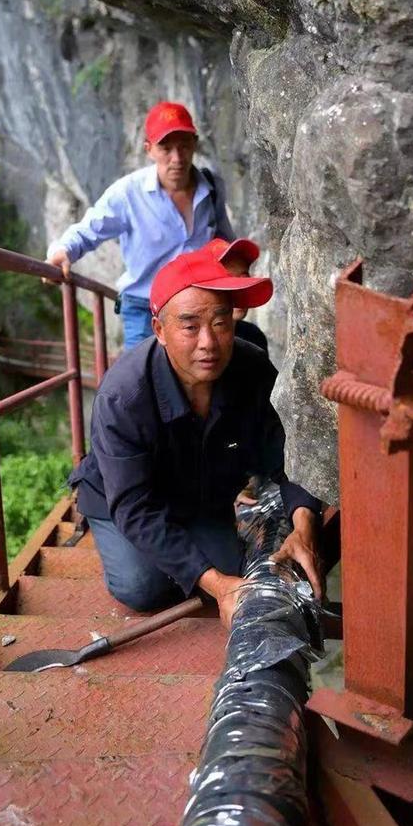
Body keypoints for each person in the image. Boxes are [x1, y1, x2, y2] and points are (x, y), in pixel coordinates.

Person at [69, 248, 323, 628]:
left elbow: (288, 454)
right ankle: (111, 538)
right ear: (159, 330)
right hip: (123, 499)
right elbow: (134, 507)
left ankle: (189, 549)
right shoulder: (123, 397)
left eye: (220, 323)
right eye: (189, 326)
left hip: (197, 494)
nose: (208, 342)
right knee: (141, 588)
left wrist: (304, 526)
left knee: (227, 563)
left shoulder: (251, 368)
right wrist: (219, 587)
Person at [46, 101, 234, 347]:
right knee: (141, 380)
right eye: (166, 148)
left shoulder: (211, 188)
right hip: (145, 309)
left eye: (184, 146)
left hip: (199, 305)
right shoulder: (128, 193)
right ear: (149, 150)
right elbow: (89, 229)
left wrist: (235, 268)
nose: (177, 158)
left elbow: (224, 240)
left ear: (195, 144)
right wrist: (63, 251)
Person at [202, 236, 269, 353]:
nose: (239, 289)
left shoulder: (254, 337)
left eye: (243, 279)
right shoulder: (196, 343)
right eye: (228, 282)